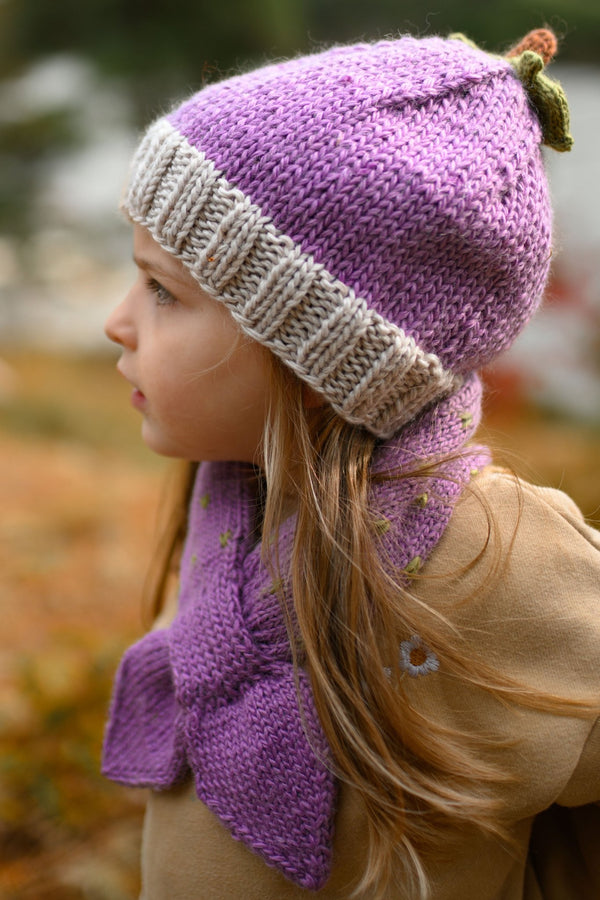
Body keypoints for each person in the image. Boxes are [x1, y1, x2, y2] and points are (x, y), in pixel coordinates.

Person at [101, 27, 600, 900]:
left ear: (319, 360)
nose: (115, 320)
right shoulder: (243, 498)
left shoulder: (494, 555)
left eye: (163, 290)